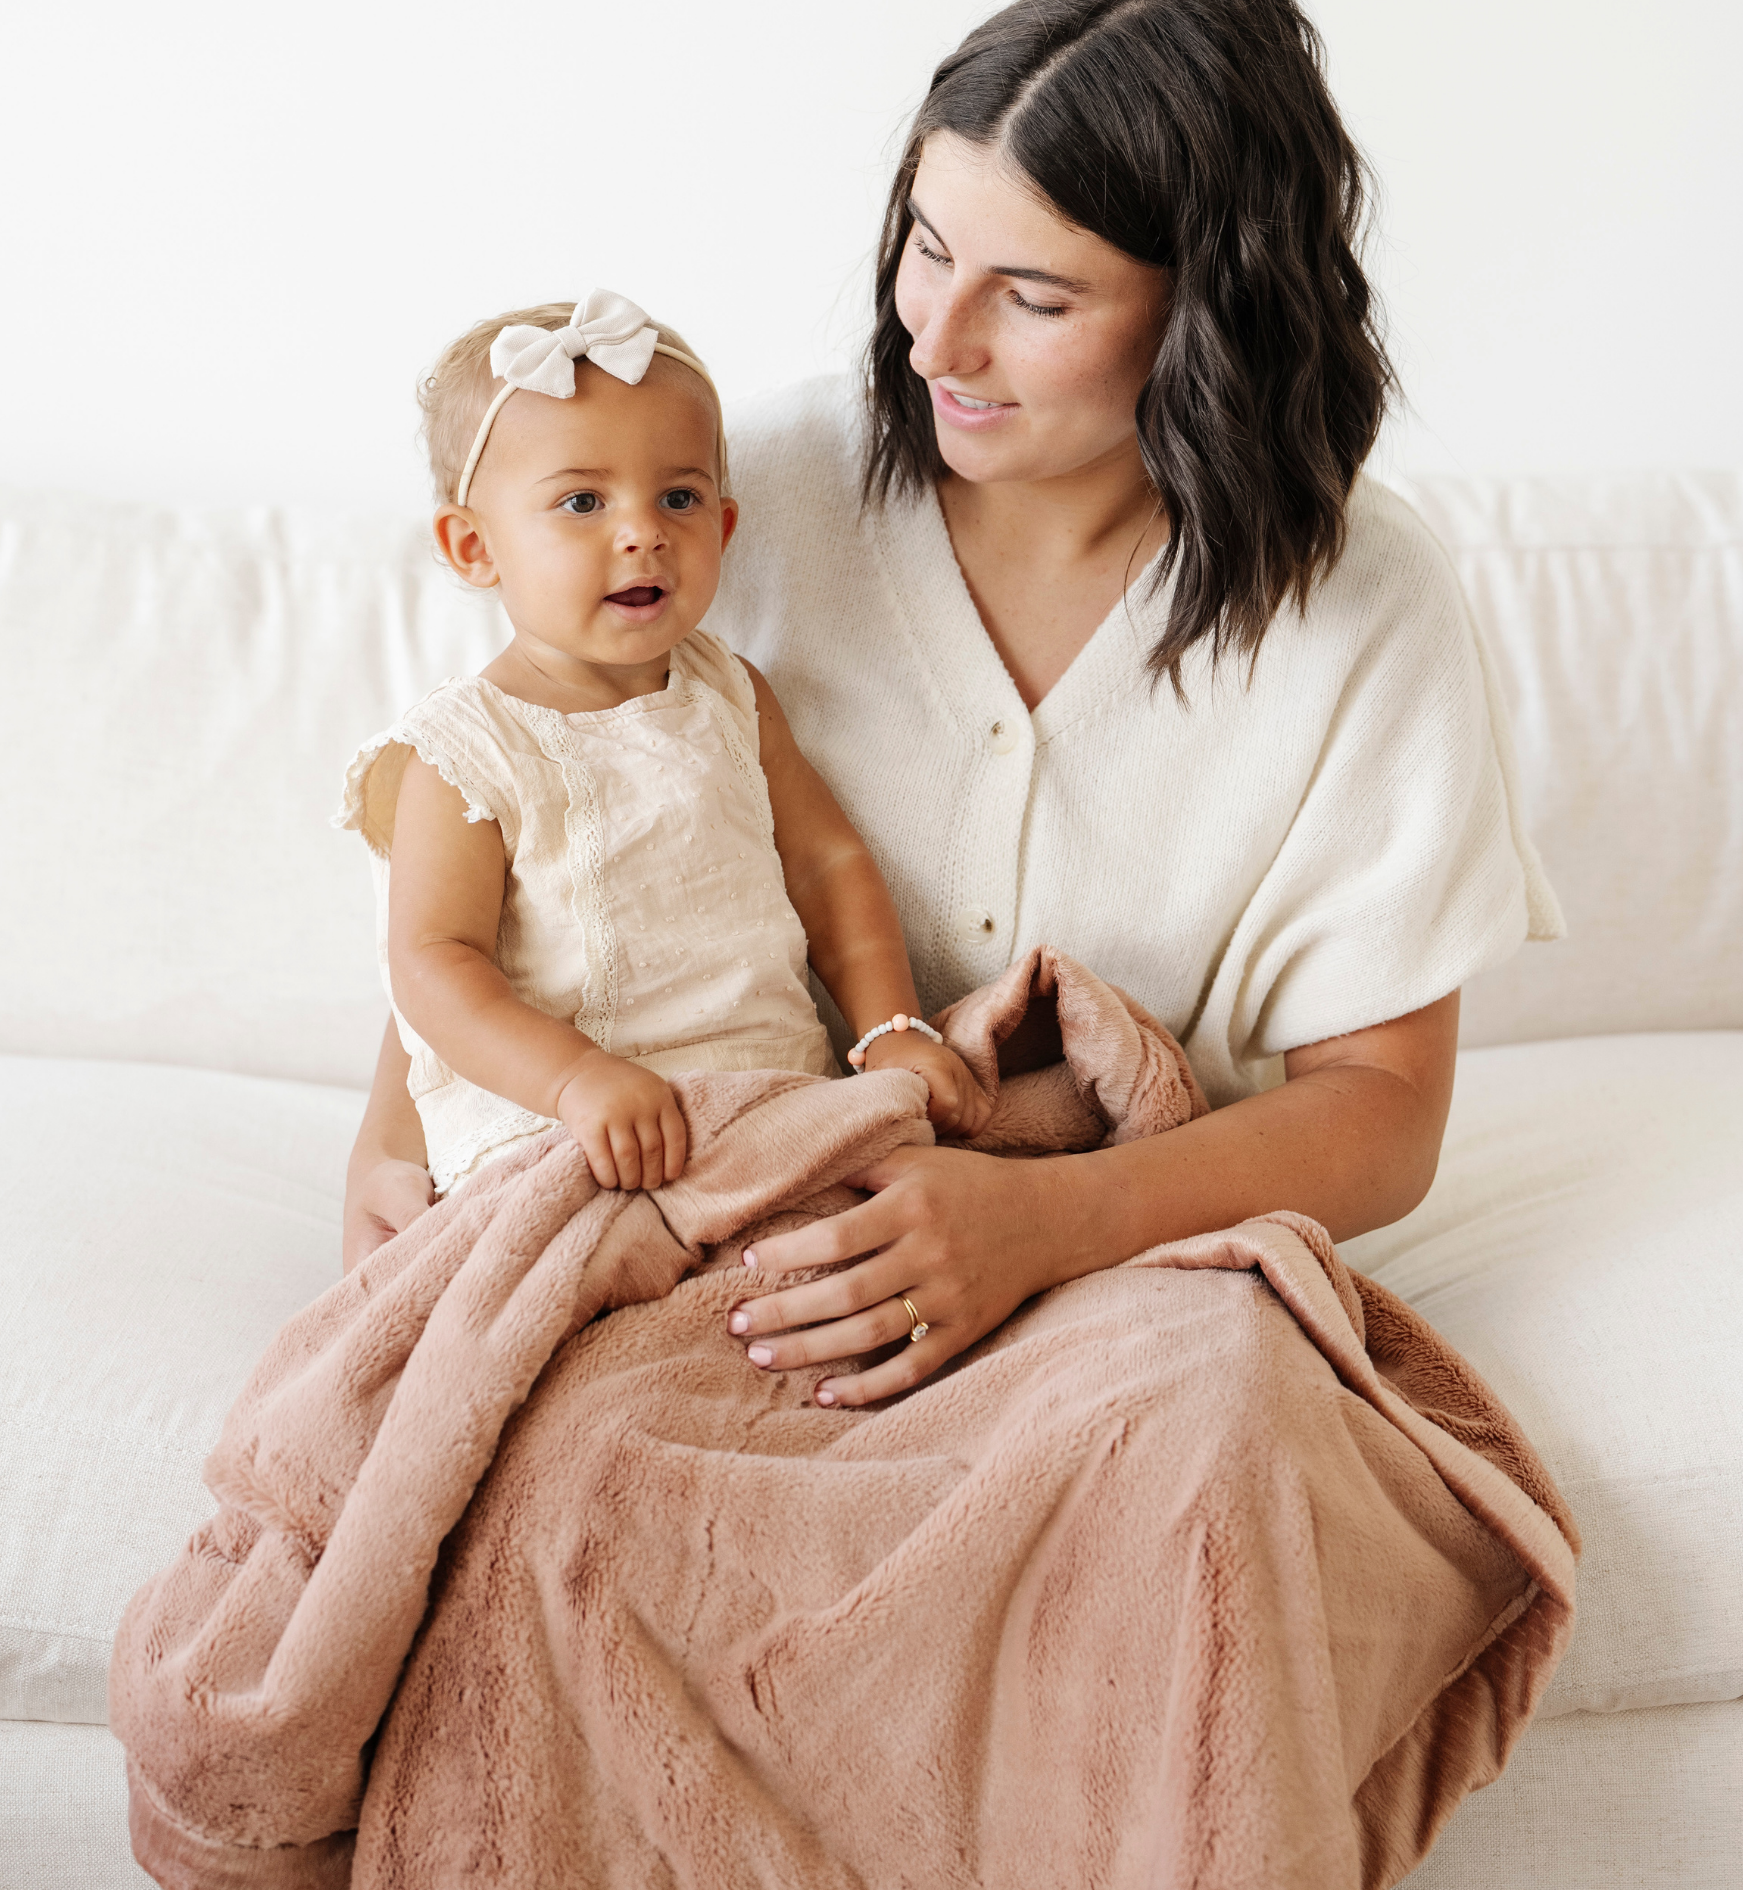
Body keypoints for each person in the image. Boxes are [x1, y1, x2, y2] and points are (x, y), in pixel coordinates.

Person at [347, 0, 1556, 1411]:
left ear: (1210, 311)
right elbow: (517, 804)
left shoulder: (1363, 602)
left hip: (1125, 1246)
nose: (934, 347)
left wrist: (1042, 1226)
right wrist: (391, 1140)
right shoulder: (734, 498)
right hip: (716, 1223)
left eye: (1034, 300)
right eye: (927, 248)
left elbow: (1381, 1110)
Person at [335, 290, 988, 1202]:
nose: (642, 531)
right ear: (474, 548)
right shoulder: (465, 753)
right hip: (565, 1128)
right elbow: (434, 964)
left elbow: (829, 865)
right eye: (581, 501)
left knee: (902, 1209)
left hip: (765, 1098)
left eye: (677, 497)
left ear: (723, 527)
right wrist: (572, 1079)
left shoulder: (730, 694)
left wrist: (888, 1026)